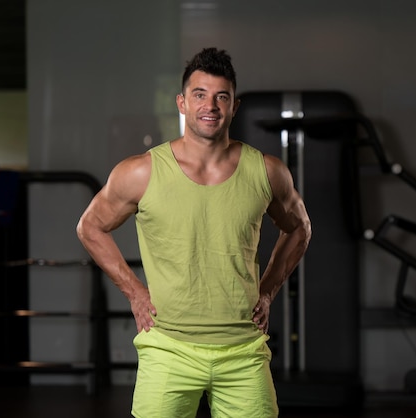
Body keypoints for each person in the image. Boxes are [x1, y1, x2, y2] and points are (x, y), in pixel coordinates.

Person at [76, 47, 311, 418]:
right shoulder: (141, 172)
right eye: (200, 95)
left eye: (222, 97)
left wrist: (267, 292)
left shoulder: (267, 171)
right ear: (182, 103)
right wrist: (135, 293)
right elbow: (90, 227)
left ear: (235, 106)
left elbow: (299, 228)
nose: (211, 106)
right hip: (168, 349)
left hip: (243, 352)